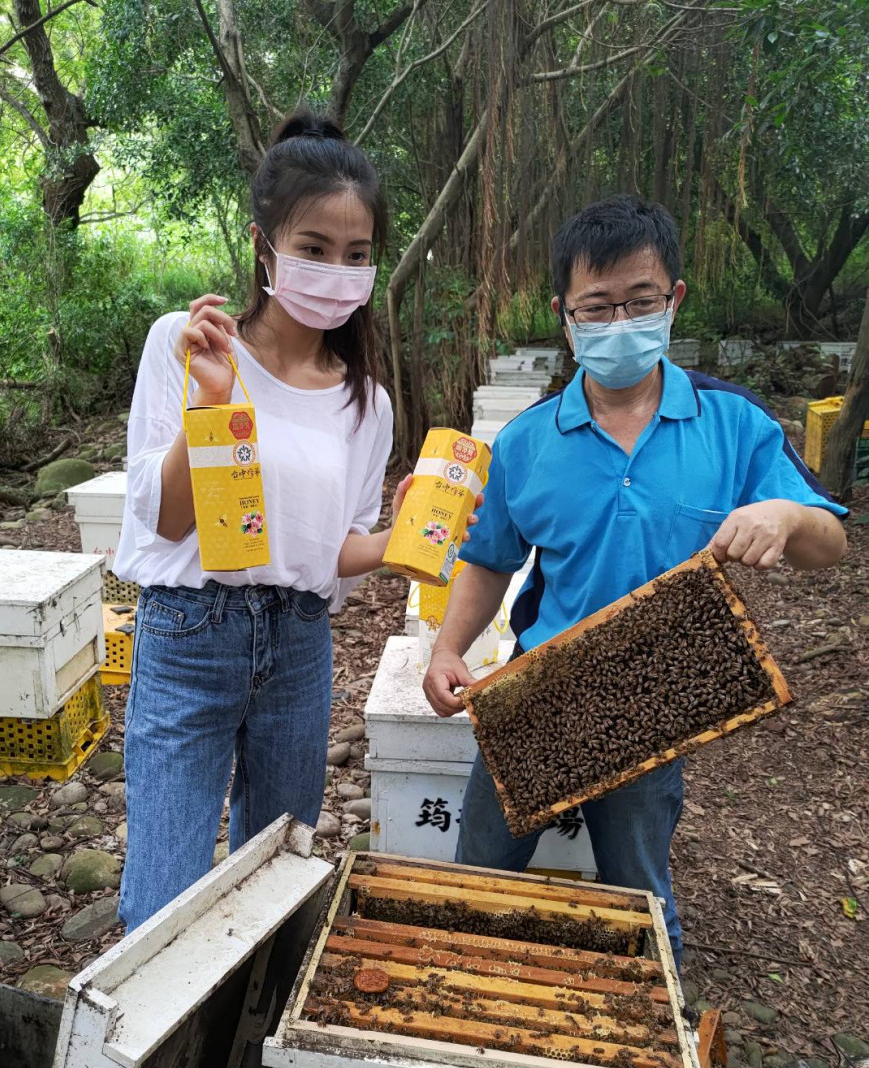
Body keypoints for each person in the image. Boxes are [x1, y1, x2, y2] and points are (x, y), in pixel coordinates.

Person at [422, 194, 848, 968]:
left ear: (674, 299)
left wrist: (785, 514)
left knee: (639, 890)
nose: (619, 321)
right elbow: (489, 559)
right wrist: (448, 649)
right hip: (540, 688)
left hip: (663, 700)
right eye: (597, 305)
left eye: (640, 300)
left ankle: (663, 1022)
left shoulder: (735, 423)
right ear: (565, 315)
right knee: (480, 873)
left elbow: (831, 542)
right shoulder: (525, 441)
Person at [113, 106, 481, 932]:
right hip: (190, 633)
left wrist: (402, 539)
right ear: (264, 245)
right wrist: (212, 402)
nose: (336, 271)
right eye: (314, 249)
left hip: (299, 647)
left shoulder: (368, 402)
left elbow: (336, 547)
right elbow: (170, 521)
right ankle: (156, 1056)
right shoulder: (187, 344)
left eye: (356, 256)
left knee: (276, 871)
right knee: (161, 893)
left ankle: (255, 1043)